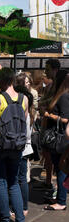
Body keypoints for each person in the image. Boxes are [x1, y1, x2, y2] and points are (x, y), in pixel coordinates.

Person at [0, 68, 29, 222]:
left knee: (0, 181)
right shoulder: (24, 99)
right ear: (12, 80)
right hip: (17, 146)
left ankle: (5, 221)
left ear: (1, 81)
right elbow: (24, 120)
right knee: (13, 182)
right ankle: (20, 221)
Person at [44, 73, 69, 211]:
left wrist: (49, 115)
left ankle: (61, 201)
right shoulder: (62, 95)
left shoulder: (64, 96)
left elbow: (65, 119)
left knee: (61, 170)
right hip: (59, 138)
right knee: (59, 168)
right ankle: (59, 197)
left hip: (60, 139)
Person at [15, 75, 35, 217]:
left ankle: (20, 208)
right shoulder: (30, 106)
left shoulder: (21, 105)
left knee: (18, 179)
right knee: (23, 178)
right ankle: (24, 207)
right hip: (26, 146)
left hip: (20, 147)